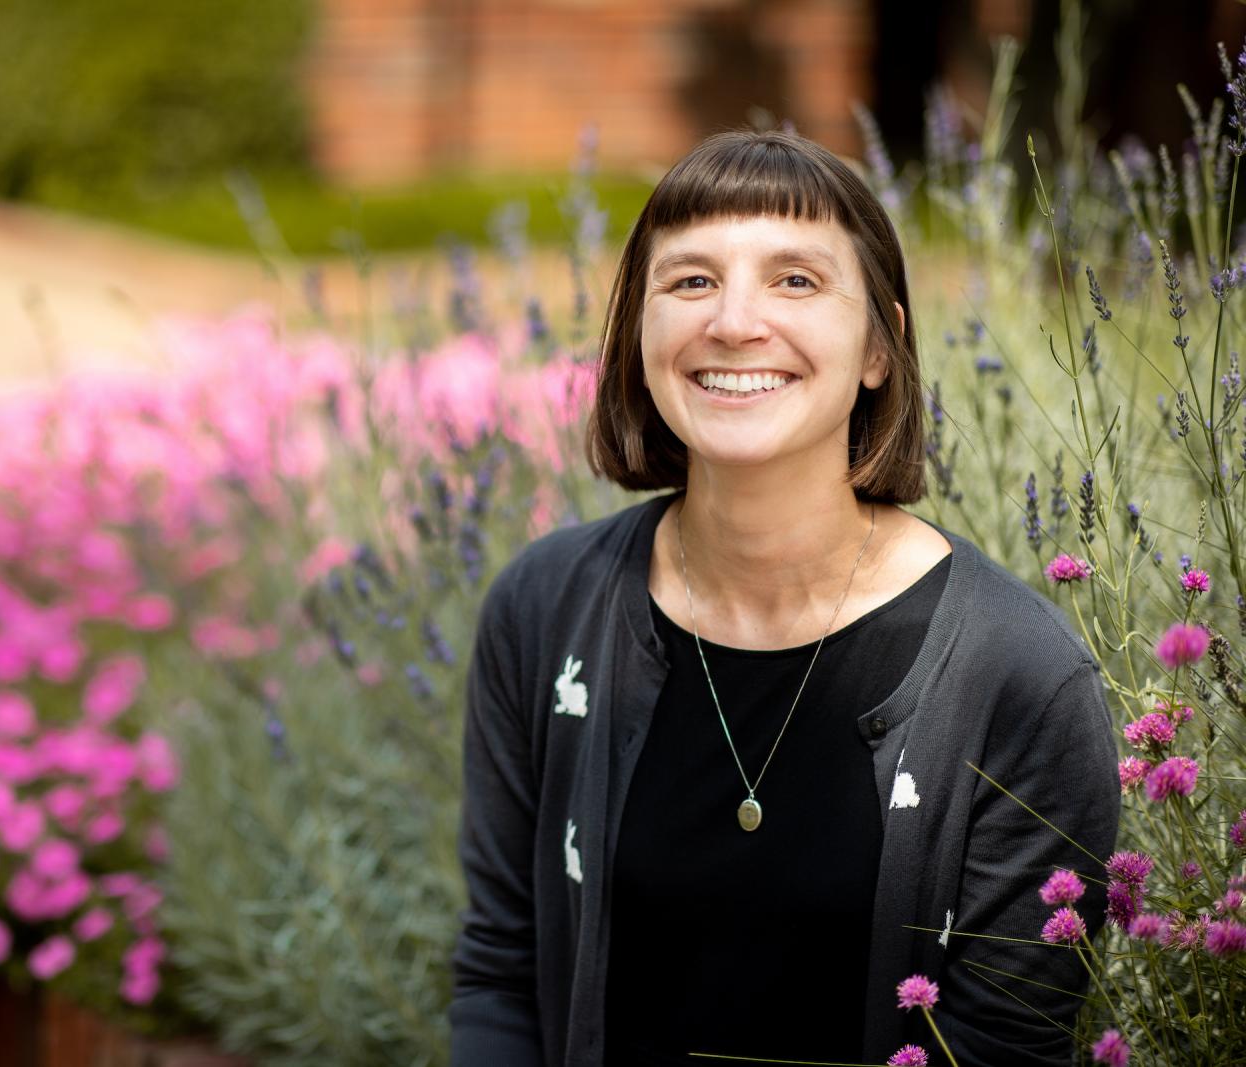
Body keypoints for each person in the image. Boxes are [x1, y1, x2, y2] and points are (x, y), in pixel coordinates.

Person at [447, 129, 1120, 1067]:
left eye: (795, 280)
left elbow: (1006, 1042)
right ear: (638, 335)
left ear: (880, 347)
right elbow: (501, 970)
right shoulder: (545, 607)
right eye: (689, 282)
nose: (733, 321)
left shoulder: (1018, 674)